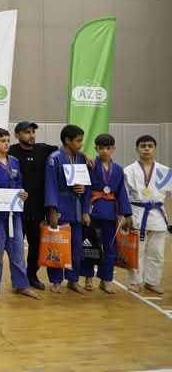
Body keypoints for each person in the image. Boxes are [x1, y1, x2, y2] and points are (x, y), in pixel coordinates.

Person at [0, 128, 40, 300]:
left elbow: (19, 183)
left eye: (8, 141)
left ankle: (21, 285)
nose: (7, 144)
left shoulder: (14, 161)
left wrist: (23, 194)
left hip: (14, 213)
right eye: (3, 141)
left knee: (17, 249)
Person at [80, 133, 132, 294]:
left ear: (113, 149)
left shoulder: (118, 169)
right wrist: (85, 212)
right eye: (101, 148)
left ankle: (105, 280)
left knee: (110, 249)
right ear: (96, 148)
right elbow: (86, 191)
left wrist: (126, 214)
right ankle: (88, 278)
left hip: (111, 213)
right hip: (93, 210)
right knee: (90, 246)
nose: (104, 151)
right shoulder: (90, 166)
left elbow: (121, 192)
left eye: (108, 148)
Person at [44, 124, 91, 294]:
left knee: (76, 245)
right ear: (67, 140)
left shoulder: (81, 159)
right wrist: (52, 211)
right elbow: (50, 185)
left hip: (76, 206)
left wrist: (85, 210)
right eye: (78, 141)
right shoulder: (54, 158)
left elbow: (87, 186)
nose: (81, 144)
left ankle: (73, 279)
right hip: (60, 205)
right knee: (57, 244)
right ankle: (56, 281)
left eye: (81, 140)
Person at [124, 135, 171, 294]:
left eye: (150, 146)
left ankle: (152, 281)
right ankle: (134, 282)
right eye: (143, 146)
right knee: (136, 251)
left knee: (156, 252)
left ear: (155, 149)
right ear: (137, 149)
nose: (146, 149)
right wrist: (125, 215)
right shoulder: (129, 170)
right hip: (137, 213)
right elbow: (124, 195)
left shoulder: (165, 171)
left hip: (157, 215)